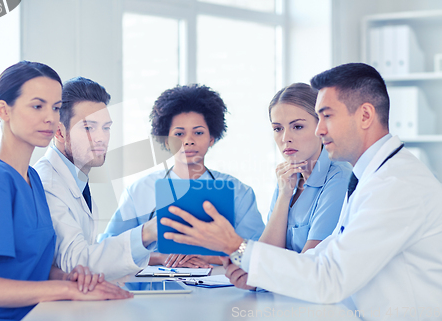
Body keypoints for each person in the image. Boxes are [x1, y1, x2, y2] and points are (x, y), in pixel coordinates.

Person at [160, 63, 442, 320]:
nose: (319, 130)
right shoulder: (370, 177)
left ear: (365, 115)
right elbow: (323, 256)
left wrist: (237, 247)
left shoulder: (395, 186)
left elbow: (330, 278)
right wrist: (256, 273)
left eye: (326, 117)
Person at [0, 62, 131, 321]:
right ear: (3, 110)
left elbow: (31, 266)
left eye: (55, 108)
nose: (50, 118)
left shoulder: (32, 179)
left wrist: (70, 278)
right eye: (37, 106)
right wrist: (66, 289)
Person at [102, 84, 265, 268]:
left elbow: (258, 252)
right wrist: (159, 258)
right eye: (179, 133)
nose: (188, 140)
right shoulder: (138, 191)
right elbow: (109, 249)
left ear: (212, 138)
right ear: (166, 140)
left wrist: (209, 258)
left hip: (221, 290)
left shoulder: (239, 192)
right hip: (156, 291)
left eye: (198, 132)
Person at [34, 77, 157, 280]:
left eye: (106, 127)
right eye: (89, 127)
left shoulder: (77, 179)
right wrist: (146, 233)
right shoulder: (48, 185)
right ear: (59, 132)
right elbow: (74, 264)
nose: (101, 138)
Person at [261, 83, 351, 253]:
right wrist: (284, 196)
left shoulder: (339, 177)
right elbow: (264, 257)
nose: (285, 138)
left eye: (297, 127)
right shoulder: (287, 177)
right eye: (278, 129)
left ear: (321, 128)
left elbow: (312, 264)